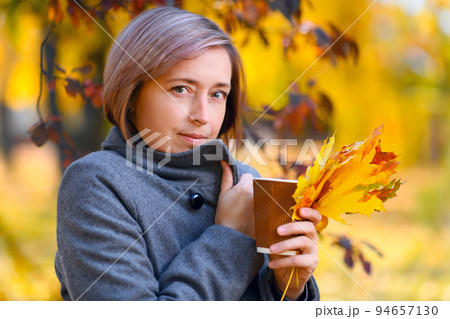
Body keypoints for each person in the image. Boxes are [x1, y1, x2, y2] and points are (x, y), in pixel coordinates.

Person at [54, 6, 321, 301]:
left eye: (217, 94)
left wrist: (288, 287)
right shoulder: (96, 183)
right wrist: (230, 237)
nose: (202, 116)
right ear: (131, 96)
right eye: (181, 89)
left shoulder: (245, 183)